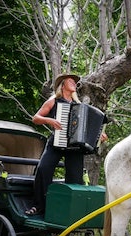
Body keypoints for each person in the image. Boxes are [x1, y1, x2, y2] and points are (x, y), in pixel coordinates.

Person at [26, 73, 107, 216]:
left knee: (75, 179)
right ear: (62, 85)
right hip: (56, 143)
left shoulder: (80, 107)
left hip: (74, 147)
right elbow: (36, 118)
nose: (74, 83)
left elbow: (88, 129)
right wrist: (50, 121)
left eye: (75, 82)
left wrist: (99, 137)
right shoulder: (54, 101)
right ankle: (39, 206)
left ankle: (71, 211)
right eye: (70, 81)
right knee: (43, 169)